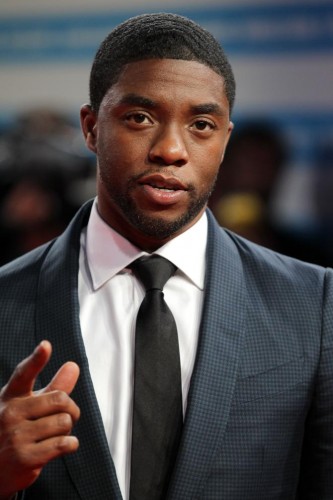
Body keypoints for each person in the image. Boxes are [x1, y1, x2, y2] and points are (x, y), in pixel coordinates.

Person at [0, 12, 332, 500]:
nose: (171, 149)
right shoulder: (5, 303)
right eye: (140, 118)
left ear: (224, 142)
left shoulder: (313, 304)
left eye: (201, 124)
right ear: (91, 128)